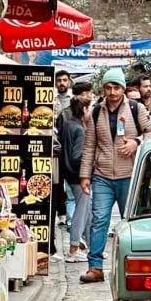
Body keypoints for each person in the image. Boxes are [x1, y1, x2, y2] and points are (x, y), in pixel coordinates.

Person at [80, 68, 151, 284]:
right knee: (99, 220)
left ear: (123, 88)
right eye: (108, 87)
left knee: (130, 222)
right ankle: (95, 266)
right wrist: (85, 175)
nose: (112, 92)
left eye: (116, 87)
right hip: (102, 174)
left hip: (129, 175)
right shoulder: (96, 112)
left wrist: (137, 142)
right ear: (103, 89)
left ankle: (133, 265)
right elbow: (89, 146)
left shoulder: (136, 108)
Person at [58, 82, 94, 262]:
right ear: (84, 110)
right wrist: (89, 168)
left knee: (87, 211)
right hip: (79, 175)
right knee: (81, 211)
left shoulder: (69, 124)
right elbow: (76, 156)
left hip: (68, 173)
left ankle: (92, 247)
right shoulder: (80, 129)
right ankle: (73, 248)